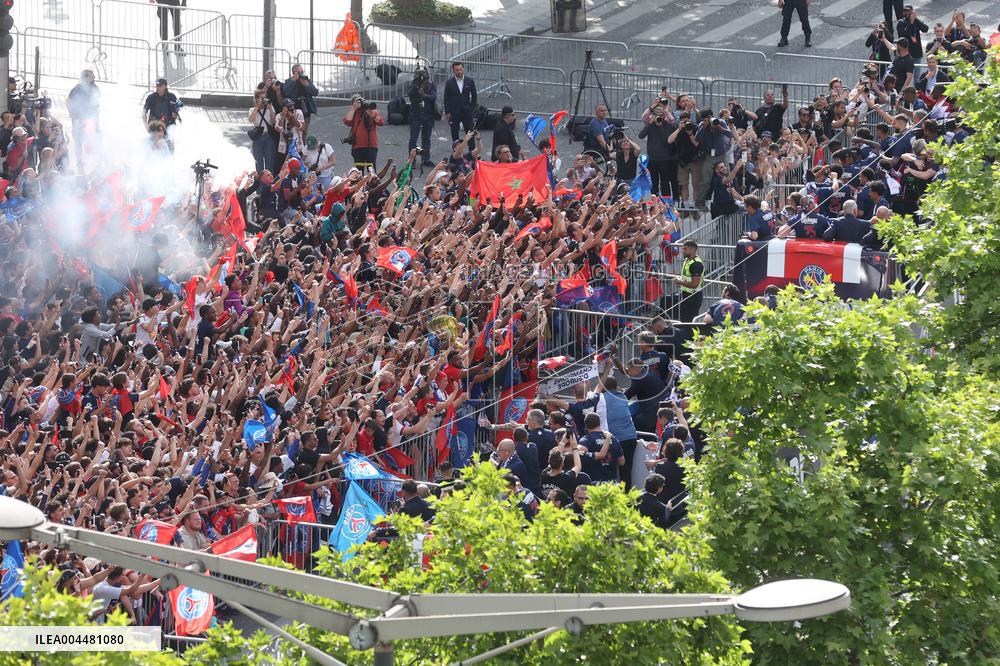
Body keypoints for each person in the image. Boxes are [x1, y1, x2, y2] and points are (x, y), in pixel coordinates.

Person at [639, 99, 678, 198]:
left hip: (665, 159)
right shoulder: (650, 125)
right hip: (652, 159)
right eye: (657, 115)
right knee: (653, 183)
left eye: (661, 115)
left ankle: (667, 204)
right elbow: (641, 135)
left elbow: (666, 139)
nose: (659, 118)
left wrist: (660, 125)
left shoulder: (668, 126)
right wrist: (650, 124)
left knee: (665, 183)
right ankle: (654, 203)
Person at [66, 70, 100, 172]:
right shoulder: (77, 89)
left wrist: (97, 119)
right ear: (86, 78)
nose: (94, 77)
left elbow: (97, 104)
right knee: (79, 141)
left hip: (91, 119)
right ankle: (80, 161)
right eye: (91, 75)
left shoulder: (95, 88)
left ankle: (94, 161)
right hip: (79, 119)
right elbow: (68, 101)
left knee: (93, 139)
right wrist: (73, 115)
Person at [443, 62, 477, 152]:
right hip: (454, 112)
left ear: (463, 69)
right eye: (457, 70)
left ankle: (472, 153)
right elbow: (446, 98)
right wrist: (447, 112)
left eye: (460, 69)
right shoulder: (449, 83)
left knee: (470, 133)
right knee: (454, 133)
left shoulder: (469, 81)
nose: (459, 71)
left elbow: (474, 95)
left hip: (467, 112)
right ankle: (456, 153)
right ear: (453, 71)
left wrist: (471, 108)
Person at [407, 66, 438, 167]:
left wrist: (424, 95)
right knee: (413, 138)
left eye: (424, 76)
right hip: (416, 115)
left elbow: (433, 97)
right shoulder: (413, 84)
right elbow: (410, 95)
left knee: (426, 138)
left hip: (428, 115)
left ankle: (426, 159)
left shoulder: (431, 85)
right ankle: (412, 159)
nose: (422, 79)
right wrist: (416, 85)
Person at [343, 95, 384, 170]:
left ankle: (371, 182)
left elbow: (381, 122)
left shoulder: (371, 111)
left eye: (361, 101)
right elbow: (347, 121)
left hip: (371, 146)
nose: (361, 104)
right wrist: (354, 109)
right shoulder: (354, 113)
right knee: (359, 171)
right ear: (353, 103)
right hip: (357, 146)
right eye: (358, 102)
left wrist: (371, 114)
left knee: (371, 170)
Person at [282, 64, 319, 136]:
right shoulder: (289, 81)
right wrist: (293, 81)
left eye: (302, 72)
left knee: (304, 131)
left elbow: (315, 92)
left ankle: (303, 146)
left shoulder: (306, 80)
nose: (301, 74)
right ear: (293, 73)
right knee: (294, 131)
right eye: (299, 73)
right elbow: (286, 92)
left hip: (305, 110)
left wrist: (306, 85)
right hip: (294, 110)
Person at [672, 240, 704, 322]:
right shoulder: (687, 260)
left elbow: (694, 284)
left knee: (689, 321)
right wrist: (680, 282)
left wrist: (680, 282)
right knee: (684, 319)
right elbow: (687, 278)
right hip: (685, 294)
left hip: (693, 296)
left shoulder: (696, 264)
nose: (683, 251)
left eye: (685, 249)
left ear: (692, 250)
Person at [248, 89, 277, 174]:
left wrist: (271, 108)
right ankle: (259, 182)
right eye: (262, 98)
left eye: (264, 98)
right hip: (258, 137)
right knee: (258, 161)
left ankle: (269, 181)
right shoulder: (252, 109)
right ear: (256, 99)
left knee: (269, 161)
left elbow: (274, 121)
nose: (264, 100)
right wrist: (257, 106)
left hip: (268, 137)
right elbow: (251, 119)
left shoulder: (269, 108)